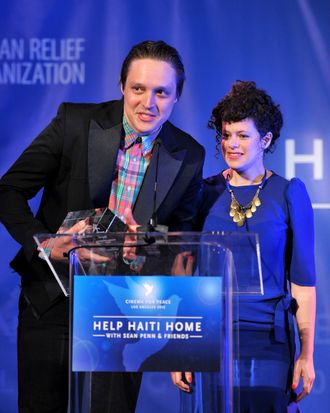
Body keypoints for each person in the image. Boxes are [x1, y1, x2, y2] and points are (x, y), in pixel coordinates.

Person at [0, 40, 205, 413]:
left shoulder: (189, 154)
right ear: (122, 86)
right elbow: (9, 191)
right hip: (54, 297)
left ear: (177, 96)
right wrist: (46, 243)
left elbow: (181, 242)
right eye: (138, 89)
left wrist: (180, 342)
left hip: (124, 308)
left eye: (162, 92)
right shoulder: (76, 123)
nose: (149, 103)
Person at [171, 81, 316, 412]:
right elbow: (184, 272)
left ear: (265, 140)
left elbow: (303, 285)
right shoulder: (202, 192)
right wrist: (179, 346)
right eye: (225, 135)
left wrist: (306, 354)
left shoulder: (289, 193)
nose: (231, 144)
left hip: (268, 341)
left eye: (242, 136)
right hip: (206, 338)